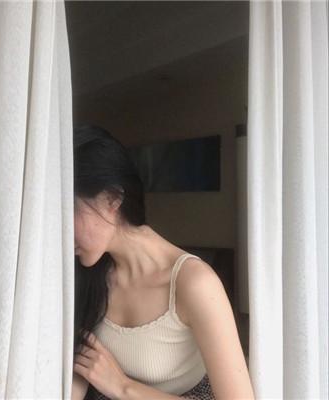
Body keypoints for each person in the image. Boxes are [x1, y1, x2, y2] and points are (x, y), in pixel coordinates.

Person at [71, 124, 255, 400]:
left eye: (69, 211)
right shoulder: (87, 275)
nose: (62, 232)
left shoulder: (195, 283)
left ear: (112, 198)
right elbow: (78, 370)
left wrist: (123, 387)